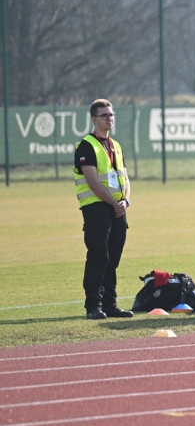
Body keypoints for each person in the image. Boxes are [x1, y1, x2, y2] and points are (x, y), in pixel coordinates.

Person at [74, 99, 134, 319]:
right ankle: (93, 306)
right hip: (97, 209)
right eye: (105, 115)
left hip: (118, 209)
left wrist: (124, 202)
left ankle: (110, 305)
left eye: (111, 115)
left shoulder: (116, 145)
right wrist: (113, 203)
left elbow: (125, 179)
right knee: (99, 257)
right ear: (94, 119)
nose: (110, 119)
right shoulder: (86, 146)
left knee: (113, 259)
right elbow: (92, 180)